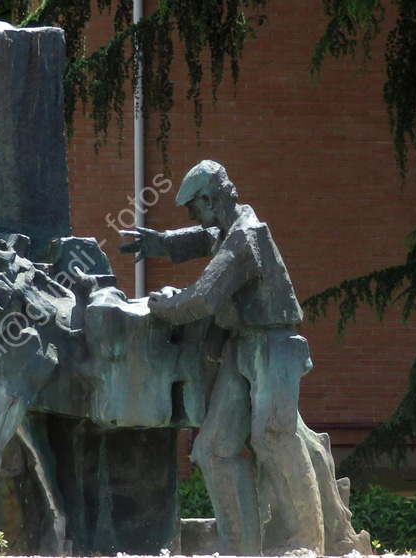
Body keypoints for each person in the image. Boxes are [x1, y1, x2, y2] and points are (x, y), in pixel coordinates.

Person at [120, 161, 324, 555]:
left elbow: (203, 298)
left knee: (273, 436)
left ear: (211, 199)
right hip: (242, 347)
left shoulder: (246, 239)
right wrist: (163, 242)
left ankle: (307, 543)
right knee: (213, 447)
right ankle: (240, 546)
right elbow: (204, 238)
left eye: (193, 207)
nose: (191, 216)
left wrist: (161, 306)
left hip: (275, 345)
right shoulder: (229, 230)